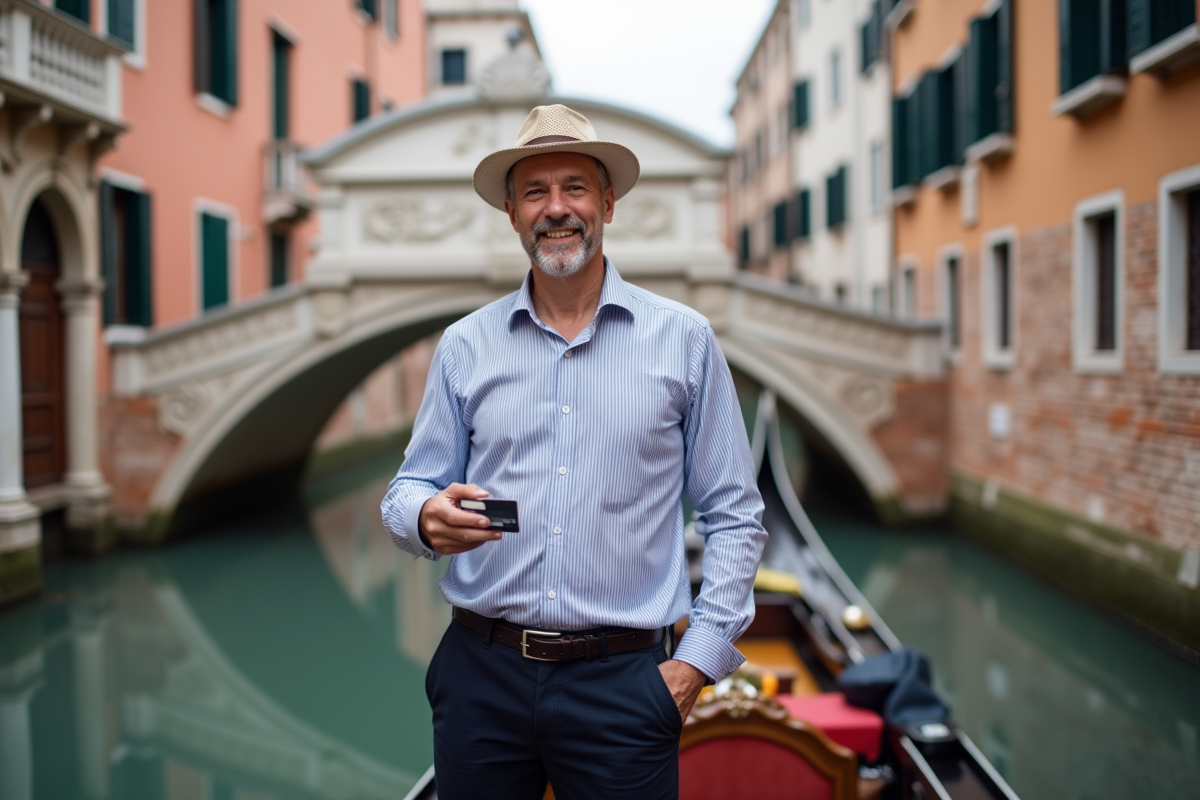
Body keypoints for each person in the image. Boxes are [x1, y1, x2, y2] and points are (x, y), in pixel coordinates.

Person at [381, 104, 766, 800]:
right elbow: (408, 488)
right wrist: (423, 518)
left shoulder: (684, 340)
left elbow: (734, 515)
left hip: (625, 685)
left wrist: (696, 665)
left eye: (574, 188)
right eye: (535, 192)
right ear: (512, 212)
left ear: (607, 203)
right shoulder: (465, 345)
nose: (556, 209)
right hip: (481, 675)